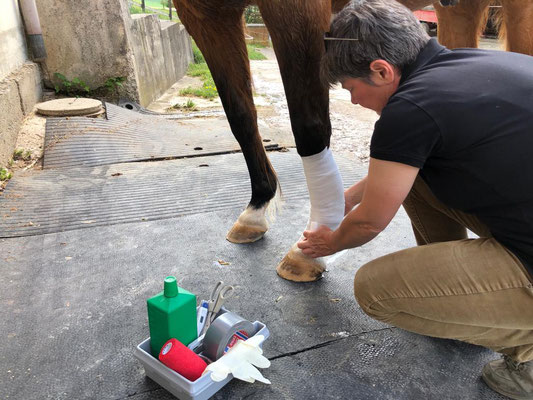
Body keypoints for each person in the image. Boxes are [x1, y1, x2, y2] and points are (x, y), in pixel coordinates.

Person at [297, 0, 533, 398]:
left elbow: (371, 223)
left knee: (375, 290)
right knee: (419, 176)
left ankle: (526, 358)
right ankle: (464, 298)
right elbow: (400, 171)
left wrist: (330, 242)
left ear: (382, 70)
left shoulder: (409, 110)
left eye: (352, 88)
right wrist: (350, 197)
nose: (353, 101)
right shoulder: (469, 63)